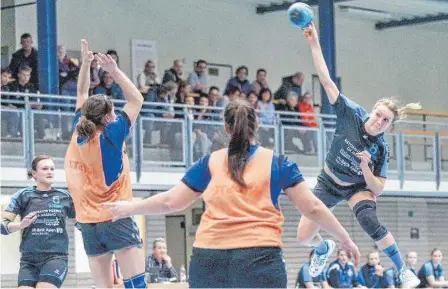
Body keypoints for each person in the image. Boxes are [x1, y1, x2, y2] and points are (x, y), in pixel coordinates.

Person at [103, 99, 360, 288]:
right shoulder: (278, 163)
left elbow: (171, 201)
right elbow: (313, 208)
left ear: (226, 129)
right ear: (256, 125)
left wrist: (130, 207)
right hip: (259, 259)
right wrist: (345, 238)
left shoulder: (210, 162)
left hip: (208, 260)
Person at [297, 22, 422, 289]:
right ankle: (323, 249)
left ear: (390, 125)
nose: (379, 121)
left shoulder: (382, 149)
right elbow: (326, 79)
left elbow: (378, 187)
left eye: (386, 120)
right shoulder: (350, 113)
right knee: (304, 237)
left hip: (357, 187)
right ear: (372, 110)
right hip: (328, 182)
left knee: (368, 220)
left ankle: (404, 272)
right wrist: (313, 42)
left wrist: (366, 168)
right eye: (378, 114)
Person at [63, 40, 145, 288]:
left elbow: (81, 94)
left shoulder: (79, 133)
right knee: (136, 285)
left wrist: (86, 65)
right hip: (115, 216)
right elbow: (136, 100)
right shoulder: (112, 134)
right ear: (109, 118)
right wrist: (114, 71)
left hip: (88, 223)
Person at [1, 155, 75, 288]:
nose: (50, 171)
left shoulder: (65, 196)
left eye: (52, 168)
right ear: (34, 173)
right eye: (45, 168)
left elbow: (83, 221)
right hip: (29, 259)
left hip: (55, 257)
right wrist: (20, 225)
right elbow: (2, 226)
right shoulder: (23, 195)